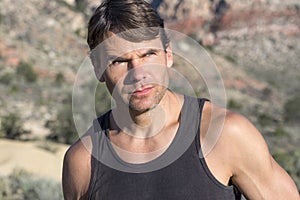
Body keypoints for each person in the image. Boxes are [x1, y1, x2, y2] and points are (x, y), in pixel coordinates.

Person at [62, 0, 299, 199]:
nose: (138, 73)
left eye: (148, 54)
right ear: (98, 69)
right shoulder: (82, 161)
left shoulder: (225, 134)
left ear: (168, 55)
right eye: (119, 61)